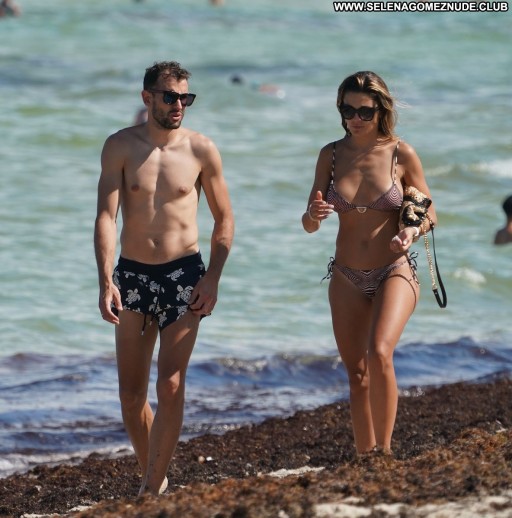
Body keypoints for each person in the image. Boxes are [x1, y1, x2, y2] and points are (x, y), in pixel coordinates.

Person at [94, 61, 234, 496]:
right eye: (170, 96)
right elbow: (106, 217)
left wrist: (213, 277)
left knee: (170, 383)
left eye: (185, 98)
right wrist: (105, 279)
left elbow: (225, 218)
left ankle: (149, 492)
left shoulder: (201, 149)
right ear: (147, 97)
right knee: (131, 397)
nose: (179, 105)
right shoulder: (119, 146)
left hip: (184, 276)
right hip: (132, 276)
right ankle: (155, 474)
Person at [302, 71, 437, 455]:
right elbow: (309, 224)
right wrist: (313, 215)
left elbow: (430, 211)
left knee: (379, 352)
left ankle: (385, 453)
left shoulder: (401, 153)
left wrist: (411, 231)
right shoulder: (330, 155)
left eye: (365, 111)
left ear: (381, 111)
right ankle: (365, 456)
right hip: (345, 276)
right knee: (357, 373)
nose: (356, 119)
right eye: (348, 110)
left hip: (394, 270)